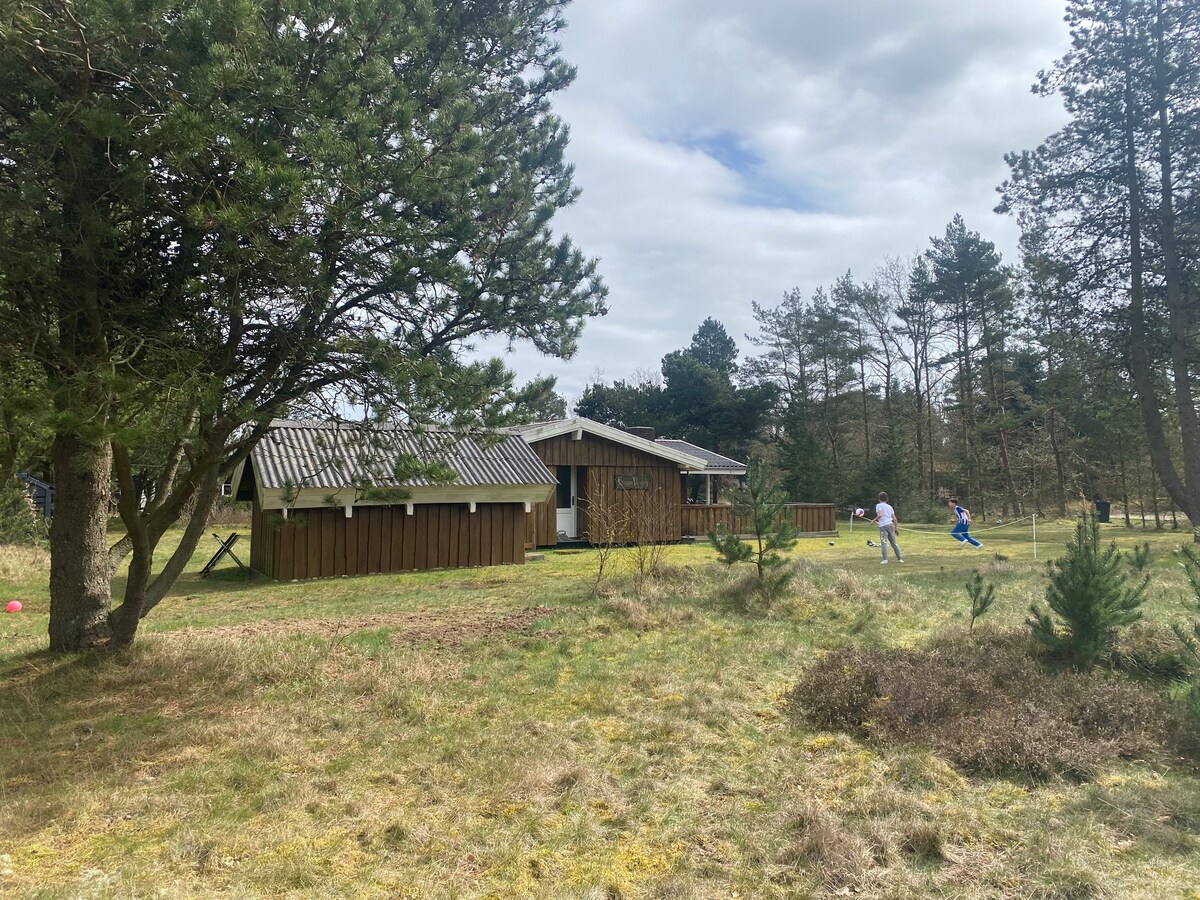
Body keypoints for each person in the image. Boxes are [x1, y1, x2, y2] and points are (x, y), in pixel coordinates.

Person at [869, 491, 903, 564]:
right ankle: (900, 559)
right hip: (890, 525)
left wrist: (873, 520)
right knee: (894, 543)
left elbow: (880, 515)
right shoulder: (889, 507)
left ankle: (885, 559)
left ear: (879, 499)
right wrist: (896, 528)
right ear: (886, 499)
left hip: (883, 526)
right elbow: (895, 519)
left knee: (884, 542)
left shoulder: (878, 505)